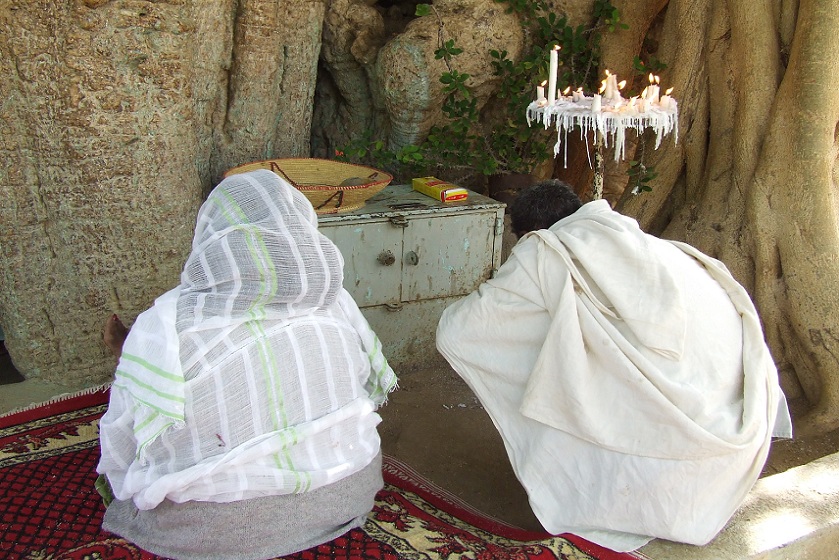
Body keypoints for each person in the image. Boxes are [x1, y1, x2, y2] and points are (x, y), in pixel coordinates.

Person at [436, 180, 792, 552]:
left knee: (563, 388)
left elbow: (459, 331)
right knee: (576, 358)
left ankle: (603, 501)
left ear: (530, 233)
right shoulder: (652, 245)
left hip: (678, 421)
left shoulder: (544, 250)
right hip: (731, 413)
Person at [97, 169, 397, 560]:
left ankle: (140, 364)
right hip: (347, 493)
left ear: (211, 234)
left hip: (214, 528)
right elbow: (361, 386)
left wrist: (123, 484)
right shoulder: (337, 302)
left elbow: (121, 442)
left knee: (143, 428)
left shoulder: (167, 321)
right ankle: (145, 366)